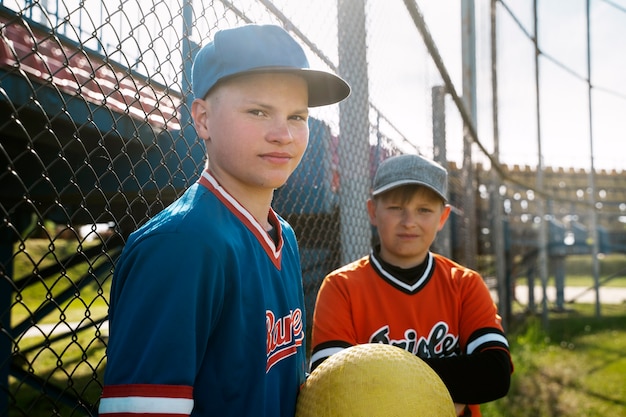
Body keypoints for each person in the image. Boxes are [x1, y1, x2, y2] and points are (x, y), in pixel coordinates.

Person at [98, 24, 350, 417]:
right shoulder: (181, 245)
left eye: (297, 116)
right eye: (258, 111)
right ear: (203, 119)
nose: (283, 134)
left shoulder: (284, 235)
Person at [309, 154, 513, 417]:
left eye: (424, 210)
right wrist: (454, 384)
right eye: (395, 208)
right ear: (373, 211)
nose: (409, 221)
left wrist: (374, 378)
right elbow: (331, 386)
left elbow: (494, 375)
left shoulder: (464, 284)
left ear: (443, 217)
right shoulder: (342, 286)